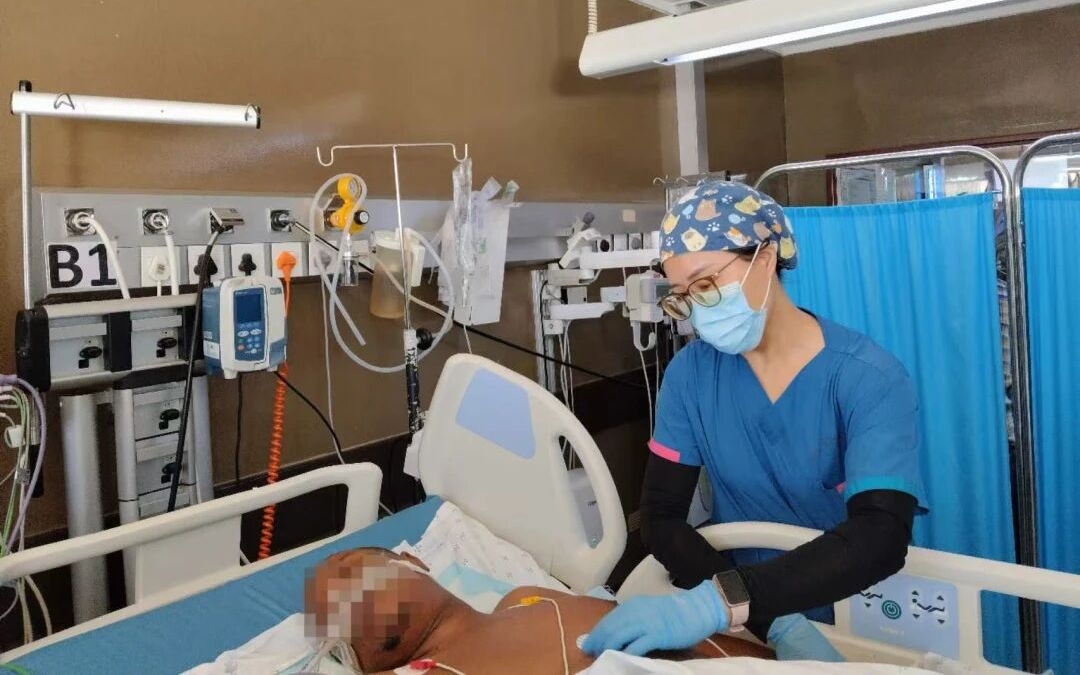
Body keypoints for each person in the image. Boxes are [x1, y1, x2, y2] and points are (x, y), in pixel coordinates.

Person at [582, 181, 928, 658]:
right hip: (743, 621)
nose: (696, 310)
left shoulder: (868, 378)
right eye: (683, 295)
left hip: (858, 615)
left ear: (764, 259)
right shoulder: (691, 375)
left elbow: (881, 535)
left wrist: (726, 601)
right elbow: (661, 517)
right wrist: (749, 612)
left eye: (706, 284)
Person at [305, 547, 774, 674]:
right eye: (329, 609)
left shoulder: (528, 598)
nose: (345, 594)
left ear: (413, 562)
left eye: (350, 568)